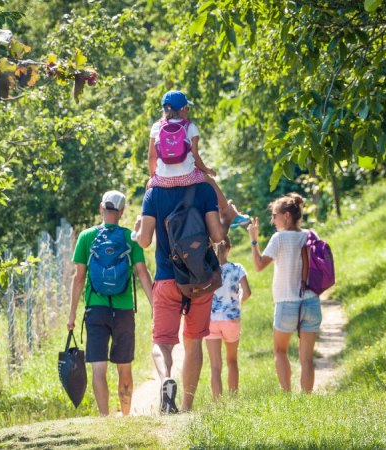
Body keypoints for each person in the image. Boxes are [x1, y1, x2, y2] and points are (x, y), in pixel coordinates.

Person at [133, 181, 239, 413]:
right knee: (194, 342)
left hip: (167, 278)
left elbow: (144, 241)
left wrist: (136, 229)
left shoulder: (154, 194)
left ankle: (166, 380)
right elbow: (218, 236)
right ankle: (186, 406)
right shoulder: (203, 189)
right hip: (199, 279)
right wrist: (229, 218)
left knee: (162, 342)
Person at [67, 190, 154, 416]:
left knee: (99, 367)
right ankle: (125, 417)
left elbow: (79, 278)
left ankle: (105, 419)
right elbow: (142, 274)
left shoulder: (86, 237)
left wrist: (71, 315)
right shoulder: (129, 238)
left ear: (101, 208)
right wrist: (156, 306)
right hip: (123, 309)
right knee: (124, 365)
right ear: (122, 211)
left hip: (95, 308)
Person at [247, 193, 322, 393]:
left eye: (274, 215)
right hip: (311, 302)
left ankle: (287, 396)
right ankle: (307, 399)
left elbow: (258, 265)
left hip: (287, 303)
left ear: (286, 216)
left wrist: (254, 241)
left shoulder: (279, 238)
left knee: (280, 351)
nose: (272, 220)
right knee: (306, 358)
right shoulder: (309, 235)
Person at [147, 90, 250, 229]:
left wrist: (153, 177)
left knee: (148, 190)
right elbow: (195, 157)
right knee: (210, 181)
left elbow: (152, 156)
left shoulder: (156, 127)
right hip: (188, 177)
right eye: (187, 108)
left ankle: (144, 223)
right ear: (183, 109)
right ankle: (228, 212)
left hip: (162, 179)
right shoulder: (190, 127)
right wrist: (206, 170)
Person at [205, 236, 251, 398]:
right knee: (232, 360)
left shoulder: (208, 270)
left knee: (215, 365)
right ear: (229, 248)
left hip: (211, 320)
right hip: (231, 319)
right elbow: (247, 292)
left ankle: (218, 402)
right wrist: (238, 302)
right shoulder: (237, 268)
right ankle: (233, 399)